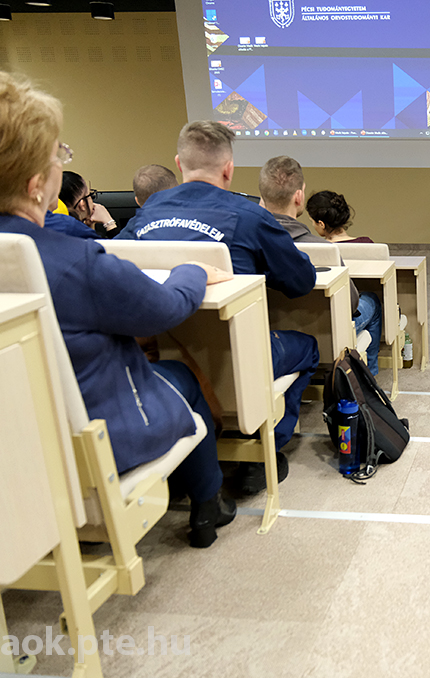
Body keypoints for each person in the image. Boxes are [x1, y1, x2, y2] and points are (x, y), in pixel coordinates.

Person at [0, 67, 235, 548]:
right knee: (181, 376)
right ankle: (208, 504)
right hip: (88, 442)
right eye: (59, 155)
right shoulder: (74, 260)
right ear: (36, 183)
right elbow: (165, 308)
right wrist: (191, 271)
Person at [118, 121, 320, 494]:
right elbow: (301, 281)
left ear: (179, 163)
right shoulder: (250, 216)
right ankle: (265, 449)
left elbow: (115, 264)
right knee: (308, 348)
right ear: (229, 168)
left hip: (161, 358)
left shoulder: (145, 214)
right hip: (241, 362)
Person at [259, 156, 383, 375]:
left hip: (268, 331)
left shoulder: (248, 243)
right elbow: (351, 302)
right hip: (326, 332)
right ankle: (369, 374)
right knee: (371, 300)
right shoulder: (322, 249)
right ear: (299, 196)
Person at [59, 169, 120, 237]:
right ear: (82, 204)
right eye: (90, 195)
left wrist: (90, 226)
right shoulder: (79, 235)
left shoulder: (55, 228)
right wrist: (109, 223)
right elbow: (120, 244)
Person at [305, 190, 373, 244]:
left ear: (321, 224)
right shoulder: (366, 243)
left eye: (312, 221)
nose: (313, 225)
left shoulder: (319, 249)